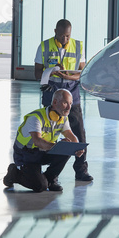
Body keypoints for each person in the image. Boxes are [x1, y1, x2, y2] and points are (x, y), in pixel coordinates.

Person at [34, 19, 93, 181]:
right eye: (61, 36)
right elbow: (37, 73)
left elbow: (82, 73)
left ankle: (81, 169)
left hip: (71, 93)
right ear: (55, 32)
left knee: (78, 132)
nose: (65, 39)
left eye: (68, 36)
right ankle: (51, 174)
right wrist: (50, 72)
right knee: (48, 134)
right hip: (51, 93)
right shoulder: (44, 46)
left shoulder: (78, 46)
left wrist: (67, 76)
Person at [3, 89, 84, 192]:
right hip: (26, 155)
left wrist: (76, 147)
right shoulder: (35, 118)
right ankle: (14, 174)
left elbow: (71, 135)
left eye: (70, 103)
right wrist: (59, 146)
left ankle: (50, 179)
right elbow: (37, 141)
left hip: (43, 152)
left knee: (66, 149)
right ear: (55, 102)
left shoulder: (63, 118)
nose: (69, 107)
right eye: (65, 103)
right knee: (40, 186)